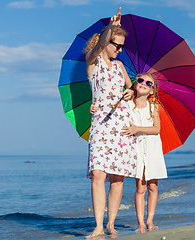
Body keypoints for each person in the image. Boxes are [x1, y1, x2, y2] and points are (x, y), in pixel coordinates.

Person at [85, 7, 137, 238]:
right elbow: (98, 48)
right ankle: (97, 226)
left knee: (118, 177)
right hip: (101, 123)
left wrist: (131, 93)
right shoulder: (93, 62)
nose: (119, 49)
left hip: (121, 123)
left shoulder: (120, 66)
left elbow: (131, 88)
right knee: (98, 174)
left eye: (122, 46)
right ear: (106, 43)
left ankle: (111, 224)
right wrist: (111, 27)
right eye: (116, 44)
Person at [121, 73, 167, 233]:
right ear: (135, 84)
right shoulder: (127, 105)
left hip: (153, 148)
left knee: (153, 186)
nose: (143, 84)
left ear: (152, 91)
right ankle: (140, 223)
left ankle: (150, 221)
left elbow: (157, 129)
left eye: (149, 83)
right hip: (136, 148)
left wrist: (137, 128)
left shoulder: (154, 106)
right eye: (140, 80)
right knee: (140, 188)